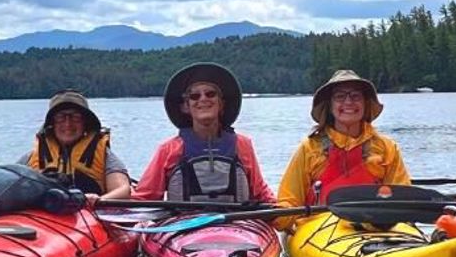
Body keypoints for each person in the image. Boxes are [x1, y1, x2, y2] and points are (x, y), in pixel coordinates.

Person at [274, 69, 411, 224]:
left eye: (356, 96)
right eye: (340, 96)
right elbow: (290, 201)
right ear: (330, 105)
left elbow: (403, 199)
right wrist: (276, 216)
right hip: (320, 229)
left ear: (365, 103)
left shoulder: (387, 148)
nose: (348, 102)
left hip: (375, 227)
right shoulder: (309, 148)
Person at [132, 63, 274, 204]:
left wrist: (284, 214)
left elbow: (261, 194)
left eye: (210, 94)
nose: (203, 99)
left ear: (221, 103)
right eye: (194, 96)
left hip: (237, 224)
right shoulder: (168, 150)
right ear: (185, 107)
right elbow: (144, 199)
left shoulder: (243, 145)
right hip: (184, 223)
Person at [21, 89, 132, 199]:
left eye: (75, 117)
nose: (68, 124)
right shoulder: (30, 158)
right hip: (42, 213)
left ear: (85, 123)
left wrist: (99, 200)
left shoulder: (104, 155)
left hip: (90, 211)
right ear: (52, 124)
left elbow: (122, 190)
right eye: (60, 117)